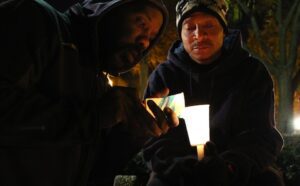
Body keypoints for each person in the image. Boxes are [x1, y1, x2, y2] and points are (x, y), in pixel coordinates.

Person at [0, 0, 179, 186]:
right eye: (141, 23)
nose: (144, 42)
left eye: (151, 37)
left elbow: (96, 170)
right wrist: (95, 116)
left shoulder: (97, 83)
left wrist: (133, 133)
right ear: (108, 7)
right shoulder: (35, 19)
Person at [143, 0, 285, 185]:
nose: (199, 35)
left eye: (208, 26)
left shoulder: (251, 73)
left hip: (237, 170)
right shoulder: (165, 77)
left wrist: (228, 167)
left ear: (224, 30)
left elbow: (260, 134)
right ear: (181, 34)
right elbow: (154, 138)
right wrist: (184, 166)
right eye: (190, 28)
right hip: (179, 172)